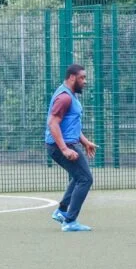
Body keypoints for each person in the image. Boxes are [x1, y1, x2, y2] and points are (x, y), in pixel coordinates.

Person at [45, 64, 97, 232]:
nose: (85, 81)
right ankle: (70, 221)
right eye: (82, 78)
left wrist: (85, 142)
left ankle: (61, 211)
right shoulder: (65, 98)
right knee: (85, 179)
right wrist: (65, 149)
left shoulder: (71, 96)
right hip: (61, 146)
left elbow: (71, 125)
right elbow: (53, 123)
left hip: (67, 143)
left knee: (78, 176)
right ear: (72, 78)